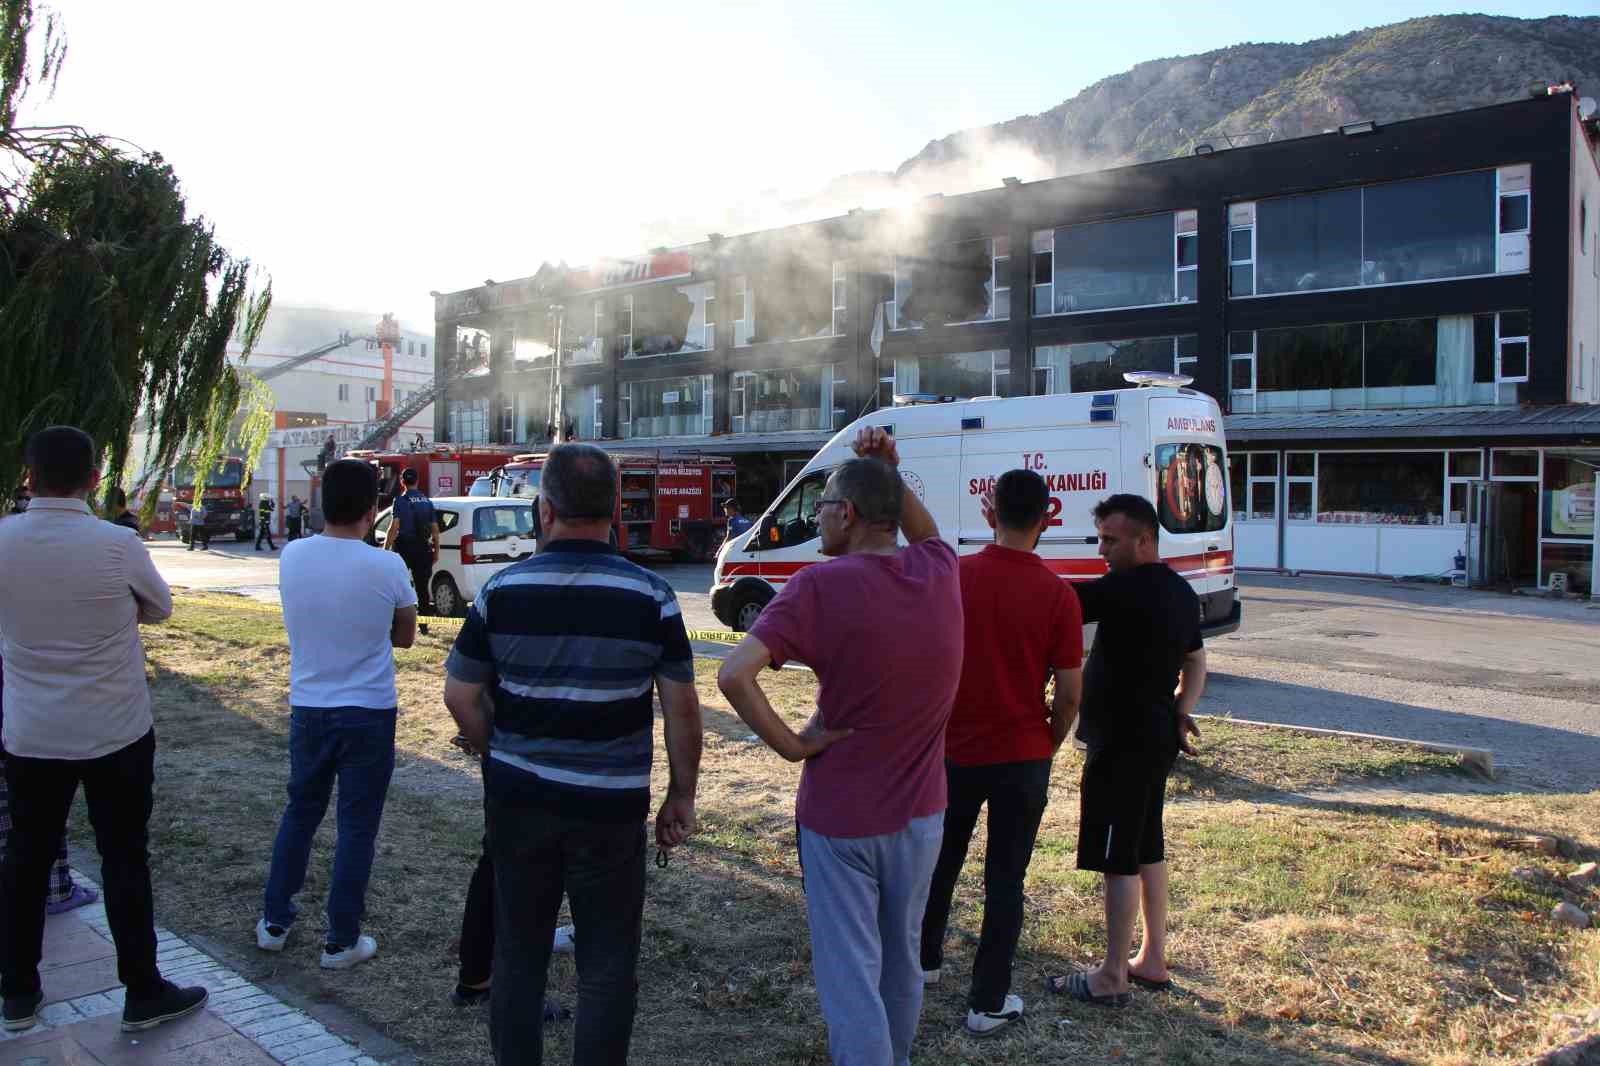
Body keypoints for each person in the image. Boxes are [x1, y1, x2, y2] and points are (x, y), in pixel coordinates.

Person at [443, 442, 703, 1066]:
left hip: (519, 803)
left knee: (519, 958)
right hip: (610, 811)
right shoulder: (652, 596)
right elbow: (683, 708)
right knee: (608, 967)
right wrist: (681, 793)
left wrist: (492, 746)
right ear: (614, 509)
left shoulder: (502, 591)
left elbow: (460, 694)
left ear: (545, 509)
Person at [718, 427, 961, 1066]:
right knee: (901, 956)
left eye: (823, 504)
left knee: (851, 976)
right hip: (923, 815)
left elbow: (732, 675)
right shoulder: (939, 570)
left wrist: (794, 749)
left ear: (846, 515)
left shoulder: (816, 588)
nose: (818, 516)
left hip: (841, 818)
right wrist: (888, 469)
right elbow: (926, 531)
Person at [0, 426, 208, 1034]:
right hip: (116, 729)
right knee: (124, 856)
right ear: (95, 479)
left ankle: (16, 991)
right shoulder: (117, 544)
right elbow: (159, 607)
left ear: (29, 475)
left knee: (26, 858)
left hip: (32, 731)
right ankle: (142, 989)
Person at [920, 471, 1083, 1036]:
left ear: (989, 513)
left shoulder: (955, 577)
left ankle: (925, 962)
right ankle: (988, 1001)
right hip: (1023, 755)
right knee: (1005, 880)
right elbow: (1068, 694)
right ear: (1047, 518)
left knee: (940, 862)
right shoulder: (1060, 595)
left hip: (955, 751)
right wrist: (1050, 742)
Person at [1045, 493, 1206, 1009]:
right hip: (1156, 737)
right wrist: (1181, 709)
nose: (1102, 550)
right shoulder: (1181, 591)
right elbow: (1197, 661)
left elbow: (1060, 602)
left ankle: (1112, 974)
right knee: (1146, 846)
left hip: (1123, 743)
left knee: (1118, 859)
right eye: (1100, 538)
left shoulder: (1125, 588)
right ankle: (1151, 959)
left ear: (1144, 540)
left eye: (1111, 540)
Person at [256, 459, 417, 970]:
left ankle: (274, 921)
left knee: (300, 813)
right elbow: (405, 636)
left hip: (309, 705)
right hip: (368, 710)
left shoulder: (293, 555)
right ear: (374, 509)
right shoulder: (387, 565)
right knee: (356, 827)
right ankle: (341, 939)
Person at [384, 468, 439, 618]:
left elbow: (394, 527)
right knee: (422, 588)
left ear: (402, 482)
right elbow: (435, 530)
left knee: (397, 585)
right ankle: (424, 623)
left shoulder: (400, 501)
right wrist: (436, 552)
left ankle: (397, 620)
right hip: (423, 548)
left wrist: (385, 549)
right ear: (417, 481)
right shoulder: (427, 501)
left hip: (404, 548)